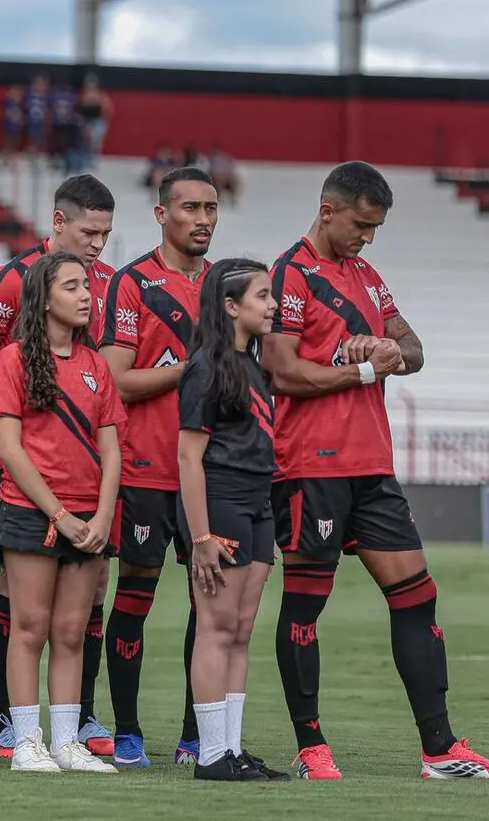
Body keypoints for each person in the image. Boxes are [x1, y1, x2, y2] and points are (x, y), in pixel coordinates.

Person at [262, 161, 489, 780]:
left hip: (372, 466)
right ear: (328, 208)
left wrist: (392, 351)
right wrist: (363, 367)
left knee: (417, 597)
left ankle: (440, 749)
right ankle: (311, 749)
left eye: (377, 229)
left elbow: (411, 347)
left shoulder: (366, 274)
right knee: (306, 606)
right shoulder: (289, 275)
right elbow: (281, 371)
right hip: (311, 467)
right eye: (361, 225)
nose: (368, 238)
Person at [0, 174, 117, 758]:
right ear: (57, 222)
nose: (98, 245)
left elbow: (103, 378)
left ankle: (76, 724)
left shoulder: (100, 288)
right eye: (87, 232)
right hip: (24, 464)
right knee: (22, 601)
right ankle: (13, 724)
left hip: (84, 476)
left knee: (83, 603)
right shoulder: (18, 278)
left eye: (105, 234)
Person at [99, 166, 217, 768]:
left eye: (211, 209)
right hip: (146, 468)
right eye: (191, 208)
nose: (202, 220)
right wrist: (192, 367)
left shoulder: (226, 286)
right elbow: (115, 379)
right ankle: (127, 731)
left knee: (209, 605)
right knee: (135, 600)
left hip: (210, 471)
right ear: (162, 214)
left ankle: (197, 735)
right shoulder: (133, 284)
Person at [0, 250, 121, 774]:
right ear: (44, 299)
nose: (86, 295)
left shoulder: (96, 365)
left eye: (87, 286)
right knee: (31, 628)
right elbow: (9, 449)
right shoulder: (15, 359)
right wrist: (59, 514)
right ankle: (26, 742)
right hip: (32, 513)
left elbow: (111, 450)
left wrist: (103, 516)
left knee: (71, 631)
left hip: (90, 518)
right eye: (72, 287)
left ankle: (67, 741)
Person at [177, 259, 286, 781]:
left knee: (241, 630)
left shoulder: (254, 365)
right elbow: (188, 457)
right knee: (216, 629)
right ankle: (211, 754)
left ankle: (233, 750)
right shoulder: (205, 366)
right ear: (230, 305)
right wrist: (200, 537)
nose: (273, 305)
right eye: (263, 296)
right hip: (221, 501)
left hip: (258, 504)